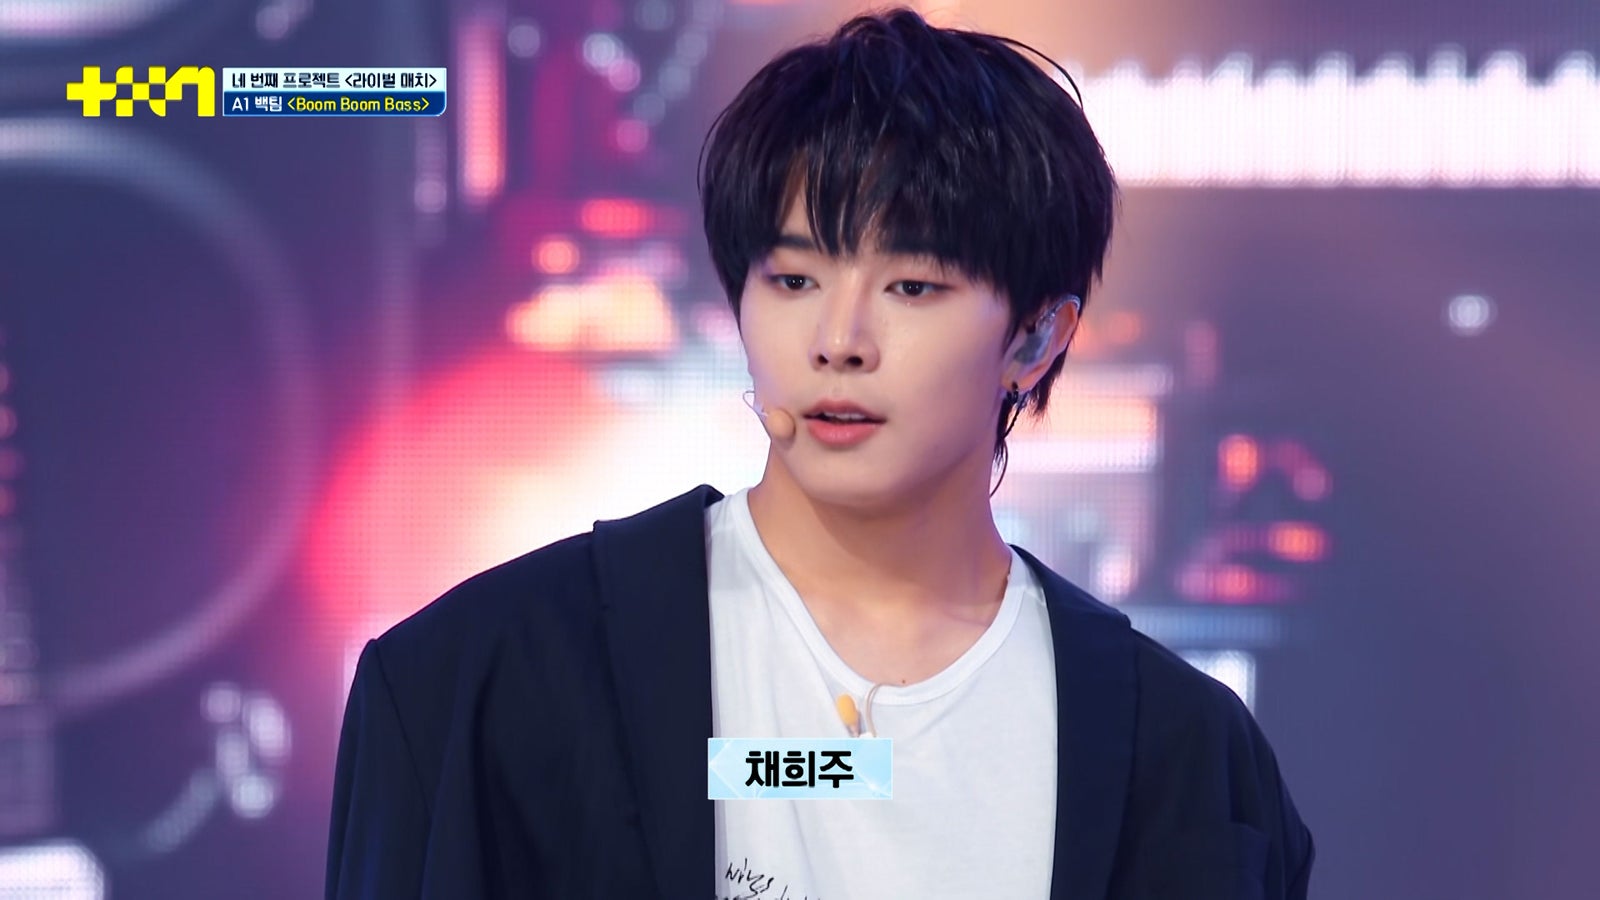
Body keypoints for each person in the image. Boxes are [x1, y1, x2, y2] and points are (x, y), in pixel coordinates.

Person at [325, 8, 1314, 899]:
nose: (839, 341)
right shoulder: (485, 682)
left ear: (1036, 338)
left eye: (912, 286)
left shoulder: (1186, 759)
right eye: (793, 280)